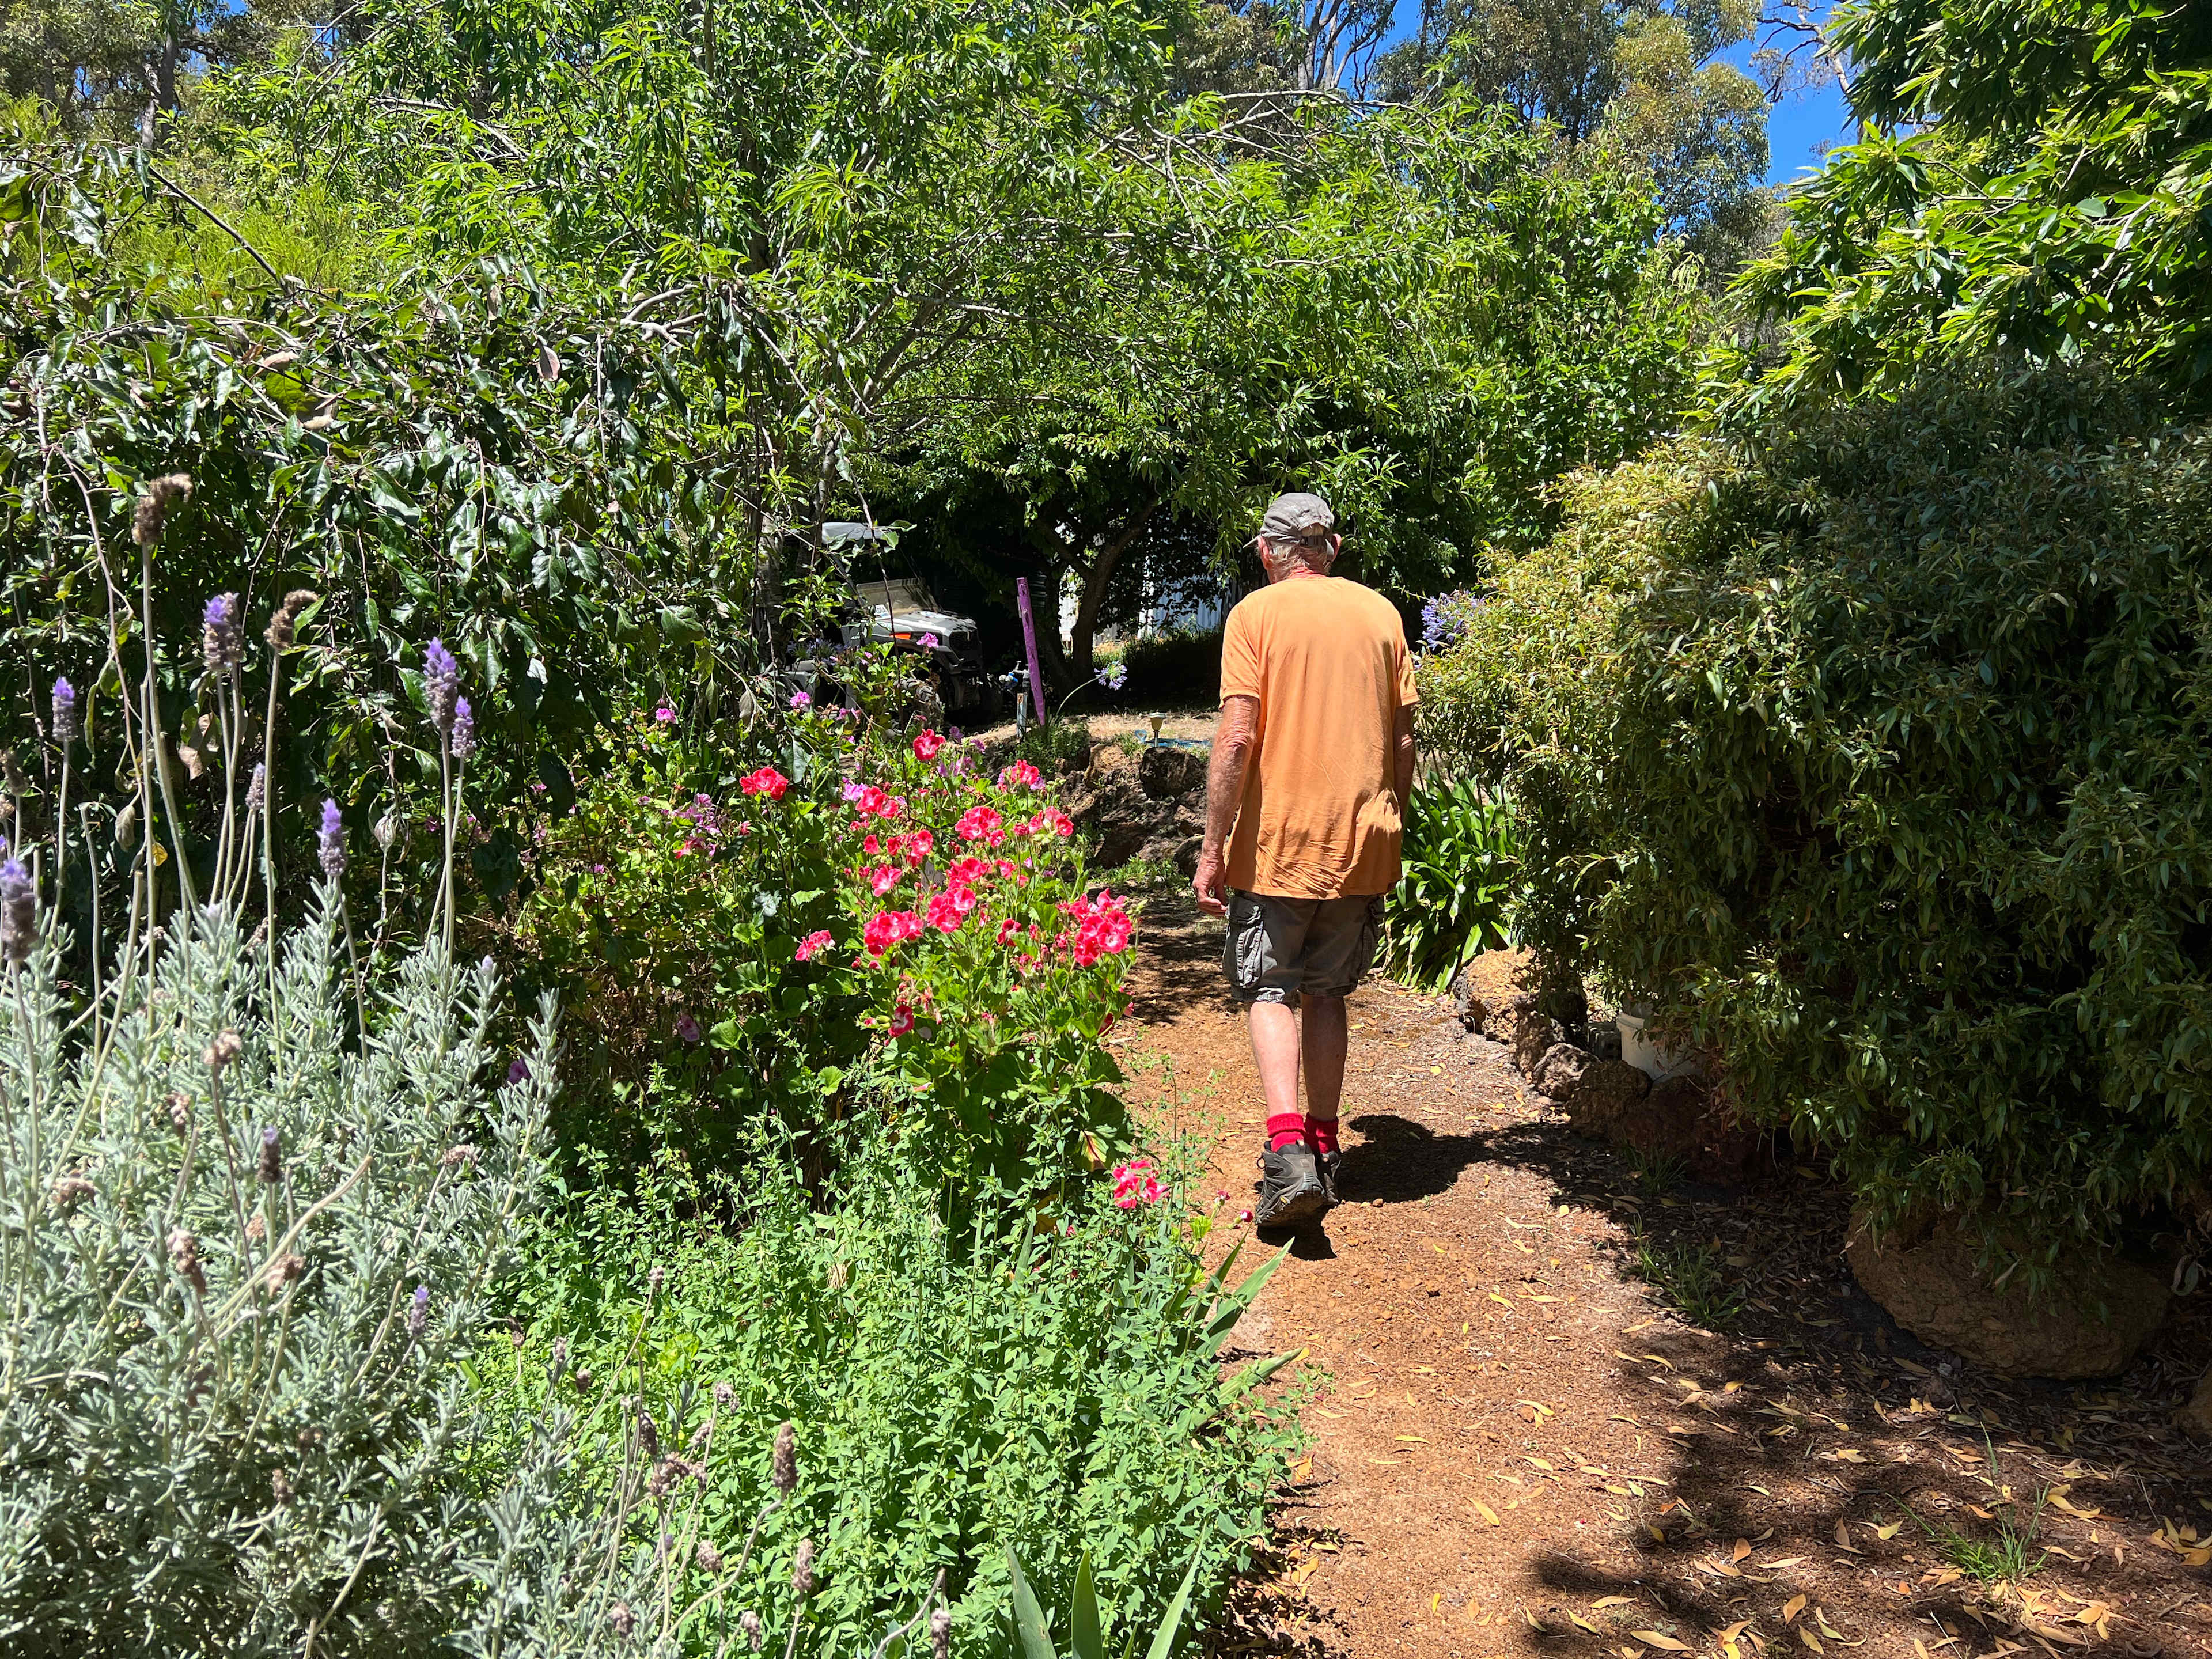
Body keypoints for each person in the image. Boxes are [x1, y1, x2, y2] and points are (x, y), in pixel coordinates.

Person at [1194, 491, 1417, 1230]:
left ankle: (1288, 1157)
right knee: (1327, 994)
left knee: (1270, 990)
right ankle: (1325, 1149)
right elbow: (1406, 742)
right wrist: (1391, 824)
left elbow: (1235, 738)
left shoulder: (1255, 616)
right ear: (1334, 547)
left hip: (1278, 846)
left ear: (1267, 552)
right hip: (1360, 843)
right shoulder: (1382, 615)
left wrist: (1211, 846)